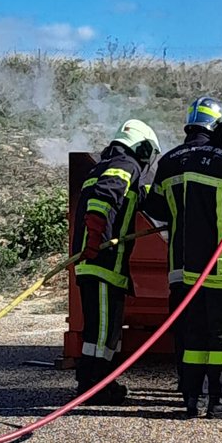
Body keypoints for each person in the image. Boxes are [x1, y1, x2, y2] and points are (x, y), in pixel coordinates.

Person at [144, 87, 222, 419]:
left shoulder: (171, 160)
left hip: (186, 269)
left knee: (194, 335)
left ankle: (193, 398)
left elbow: (155, 207)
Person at [72, 118, 161, 404]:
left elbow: (135, 199)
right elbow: (104, 197)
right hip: (102, 262)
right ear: (142, 148)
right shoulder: (125, 164)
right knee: (101, 332)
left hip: (101, 264)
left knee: (106, 331)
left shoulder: (104, 166)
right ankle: (92, 386)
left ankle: (100, 382)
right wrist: (96, 236)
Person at [164, 96, 222, 389]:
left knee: (184, 327)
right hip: (215, 263)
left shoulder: (168, 160)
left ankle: (187, 385)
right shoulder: (219, 157)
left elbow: (155, 207)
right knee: (215, 326)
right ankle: (216, 388)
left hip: (179, 263)